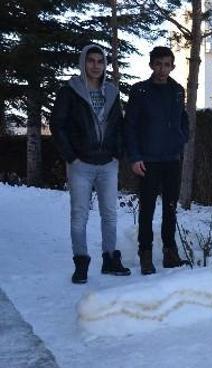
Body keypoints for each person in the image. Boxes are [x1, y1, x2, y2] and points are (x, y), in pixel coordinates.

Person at [51, 44, 131, 283]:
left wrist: (117, 153)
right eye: (91, 61)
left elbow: (119, 125)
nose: (95, 66)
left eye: (100, 61)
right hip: (80, 164)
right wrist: (71, 156)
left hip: (108, 163)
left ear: (105, 65)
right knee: (79, 216)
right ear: (83, 62)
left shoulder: (113, 92)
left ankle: (109, 259)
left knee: (110, 214)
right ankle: (81, 263)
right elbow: (58, 124)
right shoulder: (70, 91)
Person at [124, 46, 189, 275]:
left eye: (167, 64)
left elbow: (183, 119)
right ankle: (146, 254)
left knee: (170, 208)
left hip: (171, 159)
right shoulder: (140, 91)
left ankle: (170, 253)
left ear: (173, 66)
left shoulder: (178, 91)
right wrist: (135, 157)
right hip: (147, 160)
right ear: (151, 64)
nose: (163, 69)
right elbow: (130, 126)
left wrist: (182, 138)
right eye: (158, 64)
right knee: (147, 210)